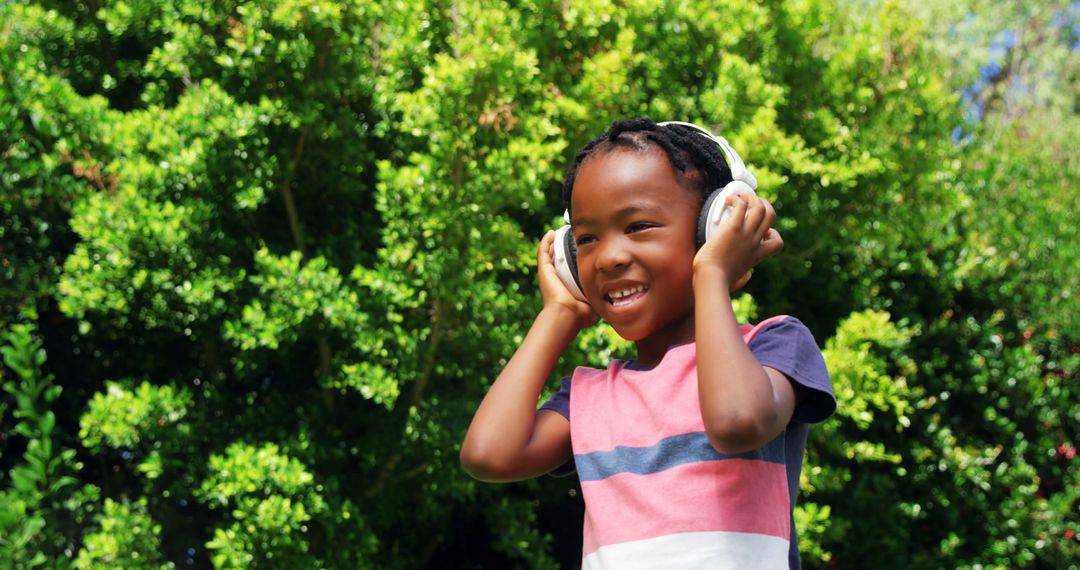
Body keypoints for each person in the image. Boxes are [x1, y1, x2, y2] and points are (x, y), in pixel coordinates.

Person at [460, 118, 835, 569]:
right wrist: (557, 315)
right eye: (587, 239)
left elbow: (737, 421)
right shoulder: (588, 398)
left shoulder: (772, 347)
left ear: (712, 228)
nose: (610, 257)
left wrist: (712, 274)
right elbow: (488, 455)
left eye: (638, 226)